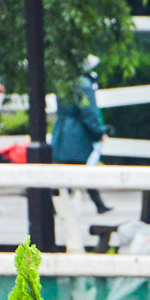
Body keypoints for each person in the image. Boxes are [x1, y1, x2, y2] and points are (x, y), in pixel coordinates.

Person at [50, 55, 111, 214]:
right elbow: (89, 112)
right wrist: (99, 132)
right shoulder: (83, 85)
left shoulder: (63, 84)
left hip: (62, 131)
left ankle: (57, 208)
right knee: (77, 173)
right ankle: (56, 208)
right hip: (76, 135)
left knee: (66, 173)